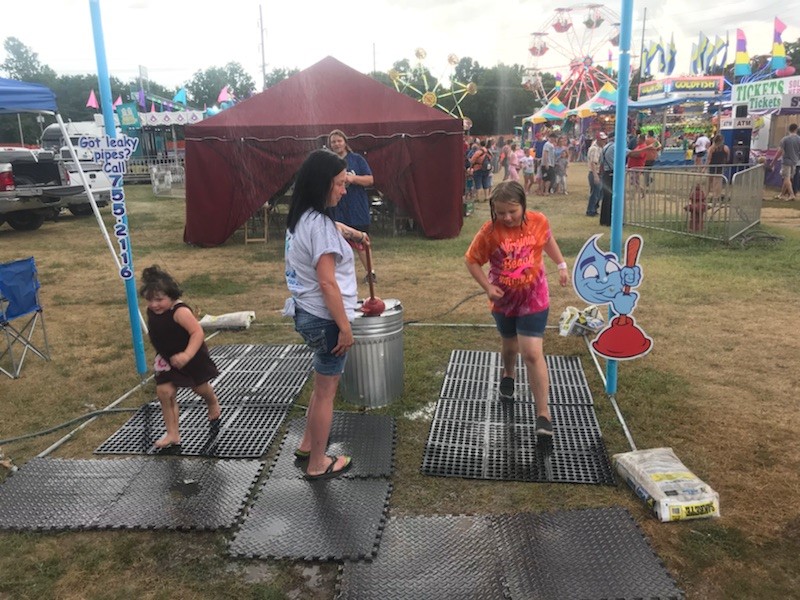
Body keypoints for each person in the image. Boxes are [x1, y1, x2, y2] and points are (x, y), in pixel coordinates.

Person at [284, 148, 365, 480]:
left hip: (307, 313)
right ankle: (318, 462)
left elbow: (325, 229)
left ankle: (307, 443)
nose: (344, 190)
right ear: (321, 184)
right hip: (327, 319)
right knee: (328, 391)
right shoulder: (319, 225)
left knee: (320, 387)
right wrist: (344, 327)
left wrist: (348, 232)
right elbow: (327, 282)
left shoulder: (301, 217)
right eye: (339, 184)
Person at [464, 181, 569, 438]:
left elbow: (547, 240)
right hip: (504, 302)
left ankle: (543, 415)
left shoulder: (538, 221)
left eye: (512, 211)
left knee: (532, 353)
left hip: (534, 298)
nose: (507, 218)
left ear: (523, 205)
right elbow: (472, 260)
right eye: (501, 213)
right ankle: (508, 374)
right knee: (509, 345)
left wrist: (562, 264)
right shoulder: (489, 232)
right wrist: (488, 287)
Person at [139, 265, 221, 450]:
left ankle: (212, 401)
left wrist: (187, 355)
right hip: (167, 358)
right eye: (150, 300)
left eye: (159, 300)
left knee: (199, 389)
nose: (154, 305)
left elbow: (197, 333)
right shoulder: (154, 309)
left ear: (172, 296)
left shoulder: (180, 311)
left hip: (191, 356)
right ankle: (172, 433)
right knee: (164, 393)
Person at [326, 129, 376, 283]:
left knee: (361, 241)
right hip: (337, 207)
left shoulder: (357, 159)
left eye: (339, 141)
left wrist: (352, 178)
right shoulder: (328, 161)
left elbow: (370, 180)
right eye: (333, 142)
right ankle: (339, 275)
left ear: (345, 142)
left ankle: (370, 273)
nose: (336, 144)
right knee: (336, 242)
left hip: (356, 207)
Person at [770, 123, 800, 201]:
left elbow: (779, 152)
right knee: (788, 178)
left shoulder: (785, 139)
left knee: (786, 178)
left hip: (786, 161)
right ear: (796, 129)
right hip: (795, 161)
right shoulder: (799, 139)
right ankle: (782, 194)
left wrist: (773, 162)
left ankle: (791, 194)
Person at [586, 132, 606, 216]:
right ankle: (591, 210)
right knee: (595, 193)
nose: (604, 141)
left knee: (599, 192)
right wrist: (595, 176)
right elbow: (593, 163)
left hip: (598, 172)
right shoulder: (594, 149)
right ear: (598, 139)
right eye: (602, 140)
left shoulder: (600, 148)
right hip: (595, 172)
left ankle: (594, 208)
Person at [706, 134, 730, 200]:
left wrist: (704, 167)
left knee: (709, 181)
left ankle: (707, 194)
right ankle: (716, 195)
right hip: (720, 166)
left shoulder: (712, 148)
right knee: (718, 182)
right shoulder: (725, 148)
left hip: (712, 166)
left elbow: (709, 159)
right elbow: (727, 158)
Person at [600, 132, 616, 226]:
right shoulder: (615, 147)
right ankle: (610, 220)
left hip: (606, 173)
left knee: (606, 198)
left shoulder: (605, 147)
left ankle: (604, 220)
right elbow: (631, 153)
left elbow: (601, 163)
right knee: (612, 198)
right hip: (612, 173)